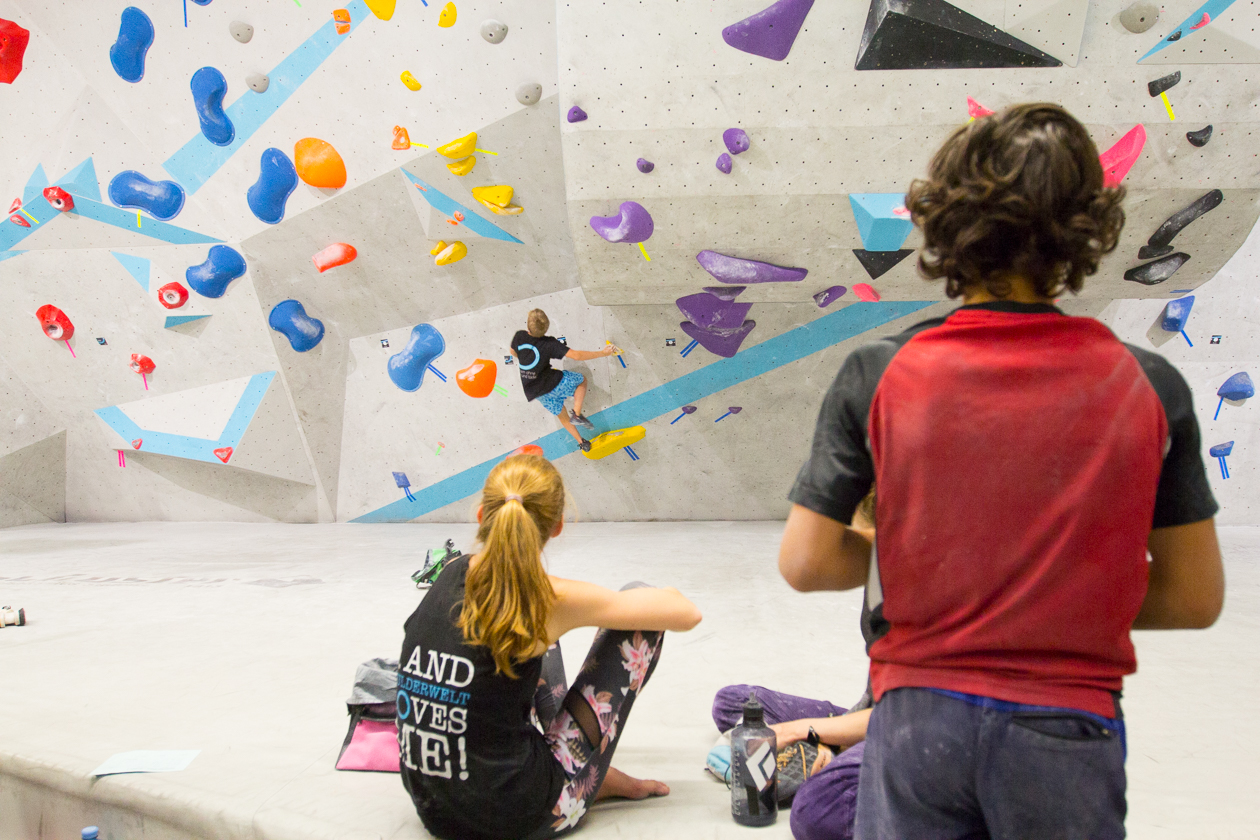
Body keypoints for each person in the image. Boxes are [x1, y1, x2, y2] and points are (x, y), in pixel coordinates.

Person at [779, 103, 1225, 840]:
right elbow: (1194, 595)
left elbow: (807, 562)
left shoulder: (878, 372)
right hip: (1066, 724)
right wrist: (1050, 596)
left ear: (940, 220)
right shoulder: (1150, 385)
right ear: (1089, 226)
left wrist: (946, 578)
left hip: (917, 720)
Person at [398, 454, 703, 840]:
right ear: (556, 526)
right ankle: (581, 779)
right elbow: (686, 613)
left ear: (481, 516)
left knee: (528, 634)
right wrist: (664, 594)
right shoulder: (544, 599)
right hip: (517, 820)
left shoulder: (450, 574)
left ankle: (575, 767)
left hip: (435, 810)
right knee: (640, 608)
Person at [510, 309, 621, 452]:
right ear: (546, 328)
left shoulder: (519, 336)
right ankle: (576, 413)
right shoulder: (549, 343)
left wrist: (529, 359)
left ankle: (582, 443)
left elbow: (513, 352)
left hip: (535, 391)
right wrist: (603, 353)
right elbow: (576, 356)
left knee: (562, 416)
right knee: (581, 380)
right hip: (553, 382)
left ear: (528, 326)